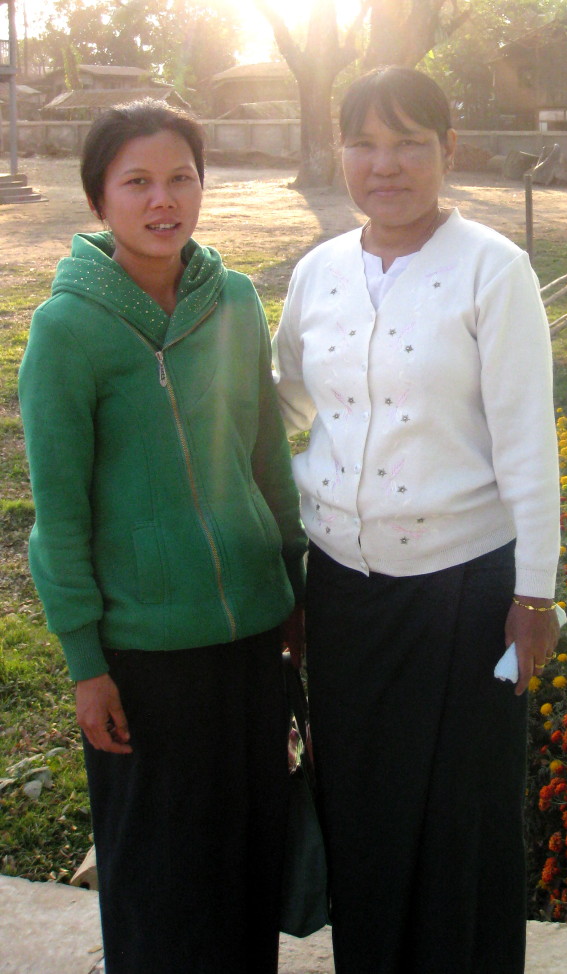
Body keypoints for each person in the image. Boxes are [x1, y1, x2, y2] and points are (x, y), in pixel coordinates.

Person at [272, 66, 561, 973]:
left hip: (466, 596)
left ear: (449, 151)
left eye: (408, 142)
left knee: (461, 816)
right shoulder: (317, 272)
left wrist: (535, 596)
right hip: (344, 594)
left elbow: (528, 444)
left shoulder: (492, 270)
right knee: (361, 803)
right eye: (363, 142)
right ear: (339, 152)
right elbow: (279, 408)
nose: (383, 164)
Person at [18, 99, 307, 974]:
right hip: (144, 655)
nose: (163, 199)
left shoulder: (237, 302)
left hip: (254, 636)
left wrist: (292, 594)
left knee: (251, 857)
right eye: (137, 181)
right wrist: (83, 662)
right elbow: (58, 517)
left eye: (182, 176)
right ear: (99, 198)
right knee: (159, 877)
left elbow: (268, 460)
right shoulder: (66, 331)